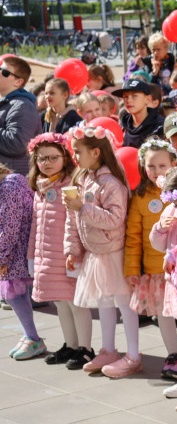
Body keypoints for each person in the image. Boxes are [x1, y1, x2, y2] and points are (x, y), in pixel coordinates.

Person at [63, 125, 138, 377]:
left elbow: (115, 219)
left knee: (123, 302)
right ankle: (108, 349)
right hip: (95, 251)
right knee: (104, 301)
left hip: (113, 251)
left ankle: (134, 354)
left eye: (78, 152)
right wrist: (73, 248)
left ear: (96, 152)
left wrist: (82, 208)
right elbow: (72, 220)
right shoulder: (83, 179)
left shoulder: (110, 182)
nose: (74, 157)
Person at [125, 138, 177, 379]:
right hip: (154, 269)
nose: (156, 172)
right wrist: (131, 269)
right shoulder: (140, 197)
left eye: (162, 166)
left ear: (173, 164)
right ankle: (173, 355)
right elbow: (133, 236)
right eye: (151, 166)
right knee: (163, 314)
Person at [28, 133, 87, 365]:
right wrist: (31, 256)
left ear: (66, 157)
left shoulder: (71, 184)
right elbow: (35, 225)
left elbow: (76, 221)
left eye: (53, 157)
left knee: (74, 302)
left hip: (66, 255)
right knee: (59, 302)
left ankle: (84, 347)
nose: (47, 163)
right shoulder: (40, 188)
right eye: (42, 159)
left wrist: (75, 253)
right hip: (47, 256)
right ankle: (69, 344)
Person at [1, 161, 38, 359]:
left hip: (17, 250)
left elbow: (10, 227)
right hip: (14, 249)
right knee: (15, 295)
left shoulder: (9, 186)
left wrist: (1, 257)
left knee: (13, 294)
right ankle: (29, 335)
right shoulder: (9, 183)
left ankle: (33, 337)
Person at [0, 56, 43, 175]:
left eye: (4, 72)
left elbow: (17, 144)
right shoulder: (10, 103)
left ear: (18, 82)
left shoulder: (23, 106)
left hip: (12, 183)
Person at [115, 75, 164, 149]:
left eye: (134, 96)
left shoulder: (160, 126)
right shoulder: (123, 125)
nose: (128, 100)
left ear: (147, 99)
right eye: (125, 97)